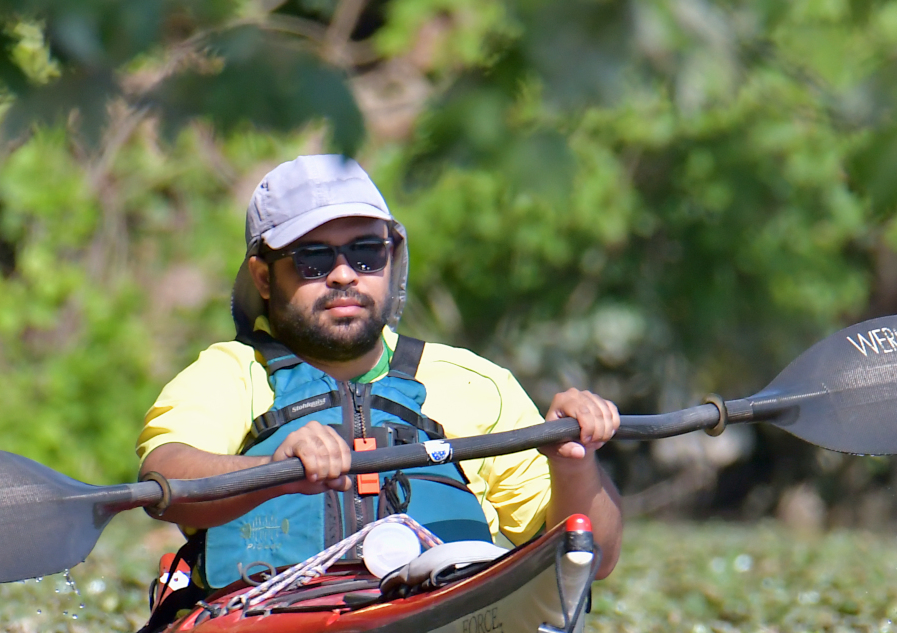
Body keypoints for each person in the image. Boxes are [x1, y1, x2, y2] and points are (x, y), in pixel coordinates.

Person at [136, 155, 623, 590]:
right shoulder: (229, 374)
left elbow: (589, 557)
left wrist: (575, 461)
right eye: (313, 259)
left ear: (390, 259)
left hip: (440, 610)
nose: (345, 274)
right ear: (264, 277)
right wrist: (274, 473)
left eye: (366, 253)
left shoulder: (477, 383)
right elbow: (165, 477)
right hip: (267, 619)